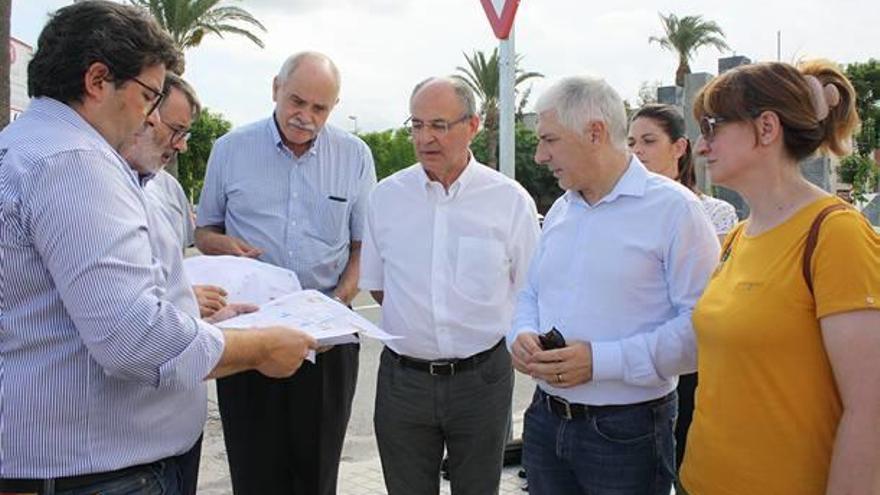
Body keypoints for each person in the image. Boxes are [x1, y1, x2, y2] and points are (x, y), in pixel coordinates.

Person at [0, 3, 316, 494]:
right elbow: (135, 341)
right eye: (149, 97)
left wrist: (190, 315)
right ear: (98, 79)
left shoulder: (22, 147)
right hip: (97, 472)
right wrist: (262, 347)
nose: (150, 117)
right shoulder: (75, 163)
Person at [507, 75, 719, 495]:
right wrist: (521, 334)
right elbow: (531, 293)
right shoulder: (563, 211)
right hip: (546, 420)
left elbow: (701, 330)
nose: (540, 155)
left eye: (550, 139)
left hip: (627, 432)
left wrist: (600, 361)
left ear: (595, 132)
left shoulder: (676, 210)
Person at [679, 60, 880, 495]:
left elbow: (871, 410)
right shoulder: (736, 237)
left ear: (766, 128)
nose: (700, 146)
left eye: (711, 127)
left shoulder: (836, 233)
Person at [195, 51, 377, 495]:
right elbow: (203, 232)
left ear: (333, 107)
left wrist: (337, 304)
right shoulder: (231, 149)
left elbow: (363, 247)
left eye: (319, 108)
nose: (305, 116)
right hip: (247, 335)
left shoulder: (354, 155)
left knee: (316, 474)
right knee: (254, 469)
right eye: (297, 101)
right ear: (275, 88)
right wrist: (226, 246)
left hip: (326, 341)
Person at [359, 77, 540, 495]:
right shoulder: (386, 197)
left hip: (482, 380)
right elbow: (380, 288)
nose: (425, 138)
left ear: (473, 125)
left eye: (439, 125)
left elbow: (530, 287)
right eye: (417, 125)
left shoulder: (509, 200)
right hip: (403, 382)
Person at [627, 103, 739, 470]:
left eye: (648, 141)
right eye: (630, 142)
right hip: (635, 354)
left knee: (685, 455)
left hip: (691, 358)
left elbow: (712, 290)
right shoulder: (620, 210)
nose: (637, 151)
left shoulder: (714, 212)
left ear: (679, 147)